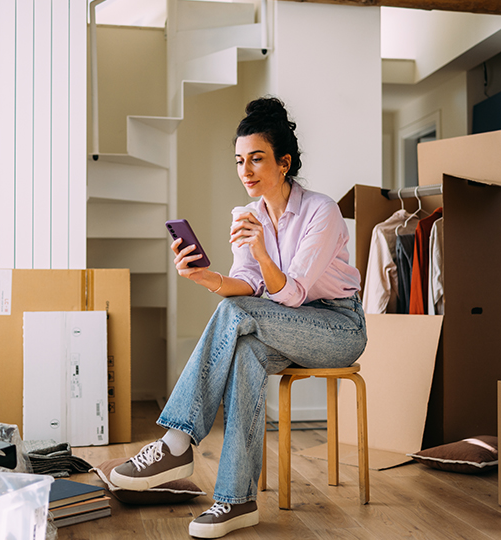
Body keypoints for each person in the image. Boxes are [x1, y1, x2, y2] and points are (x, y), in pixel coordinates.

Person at [110, 96, 367, 538]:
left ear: (284, 163)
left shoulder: (320, 212)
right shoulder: (246, 215)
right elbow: (247, 284)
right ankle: (236, 500)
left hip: (336, 327)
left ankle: (176, 442)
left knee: (236, 316)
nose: (245, 170)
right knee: (245, 351)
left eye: (257, 159)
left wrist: (264, 248)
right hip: (279, 321)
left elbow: (293, 292)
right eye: (239, 160)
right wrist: (204, 276)